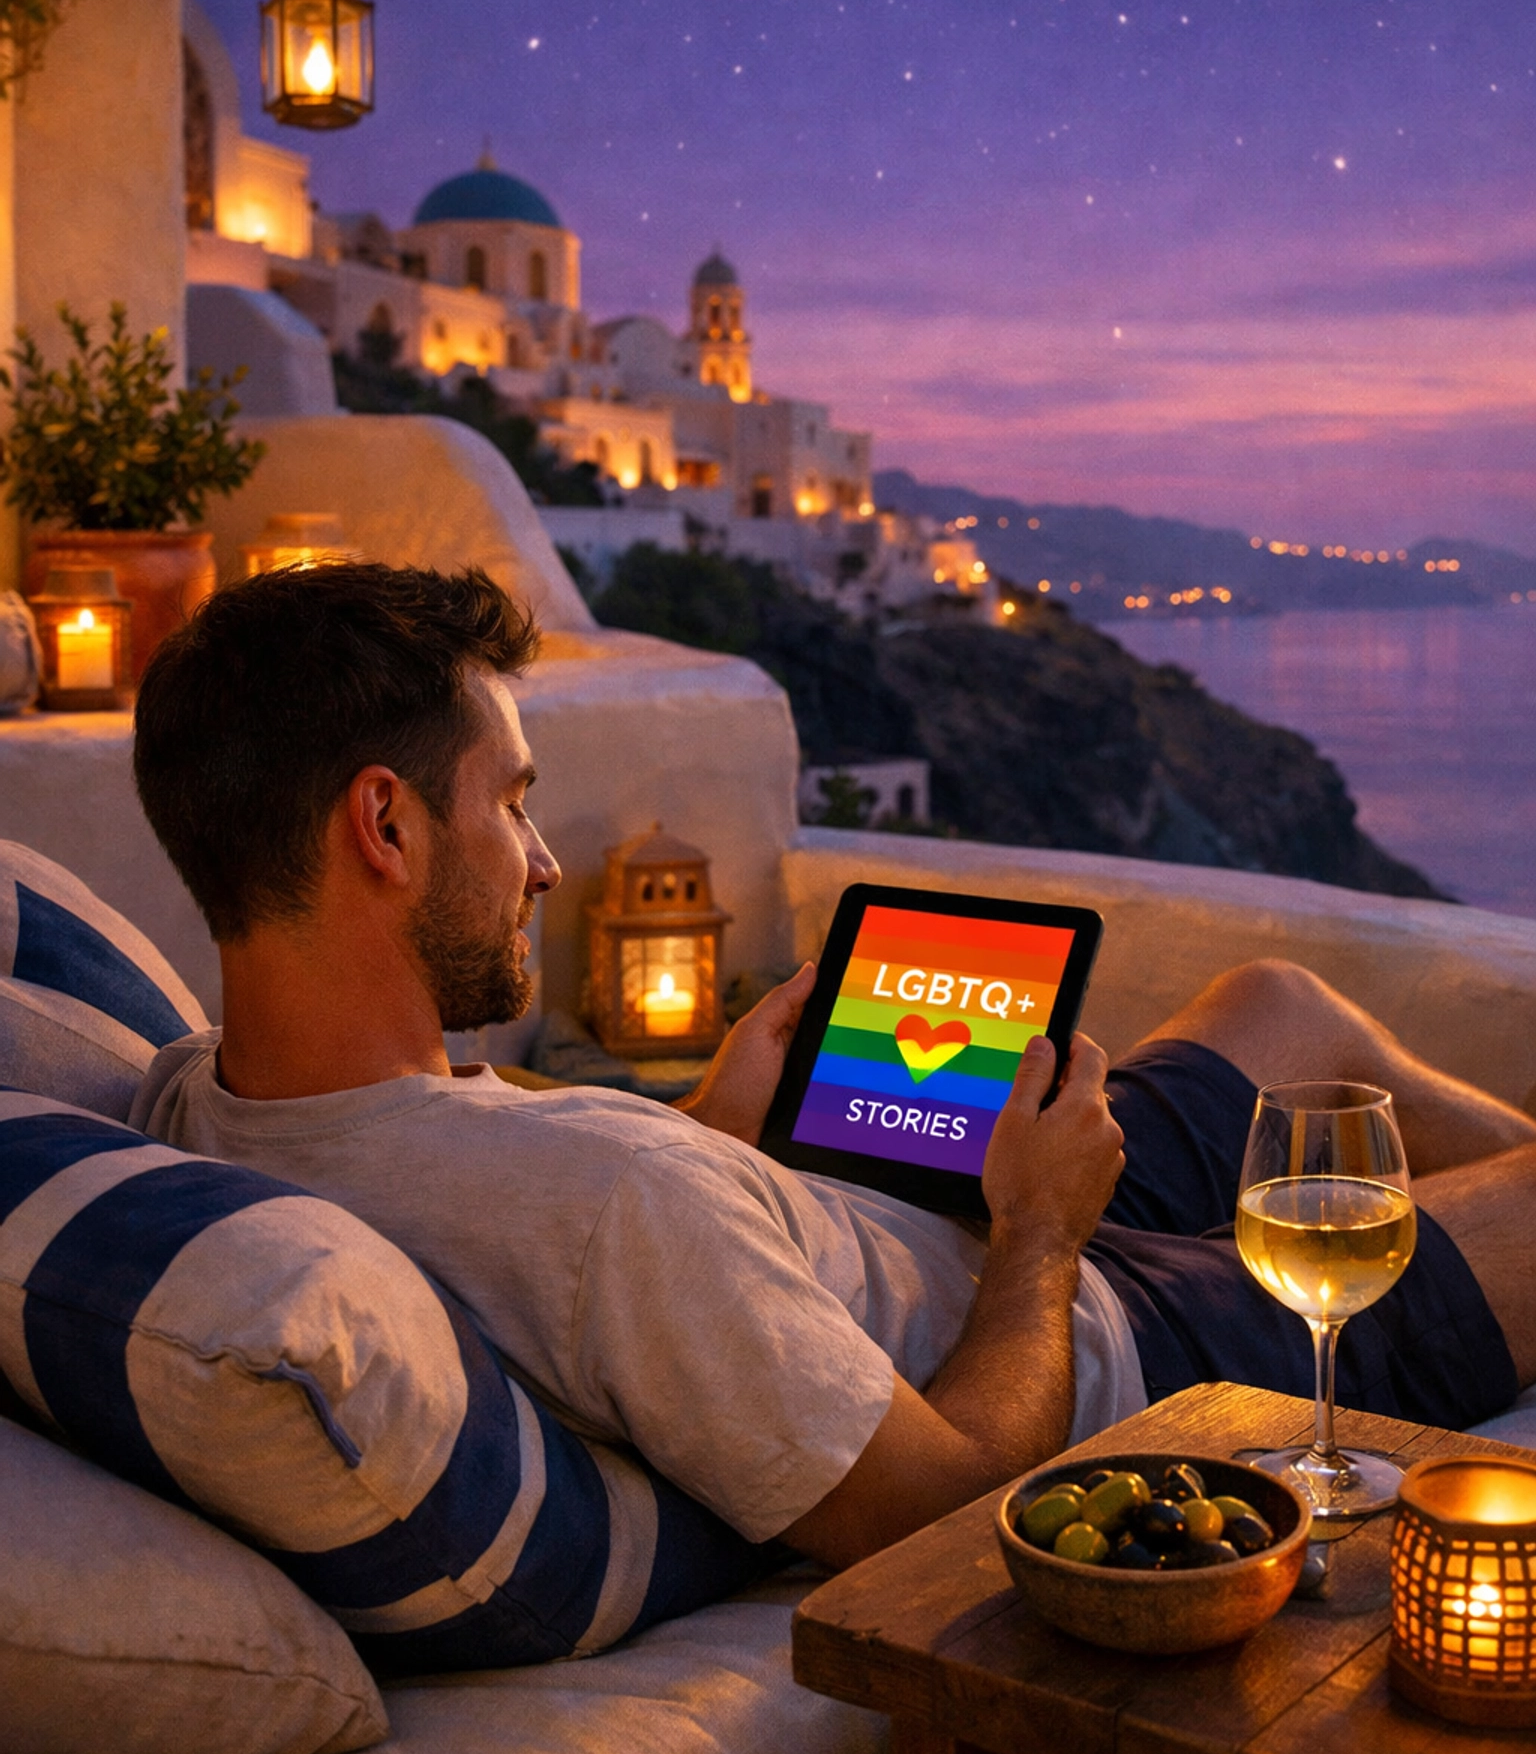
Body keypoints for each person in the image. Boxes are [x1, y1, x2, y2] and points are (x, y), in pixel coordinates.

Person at [129, 564, 1536, 1570]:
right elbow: (954, 1501)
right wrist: (1043, 1222)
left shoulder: (200, 1094)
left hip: (912, 1222)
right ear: (384, 824)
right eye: (511, 803)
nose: (546, 862)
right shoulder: (608, 1199)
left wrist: (718, 1124)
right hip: (1104, 1346)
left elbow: (567, 1232)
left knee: (1275, 1001)